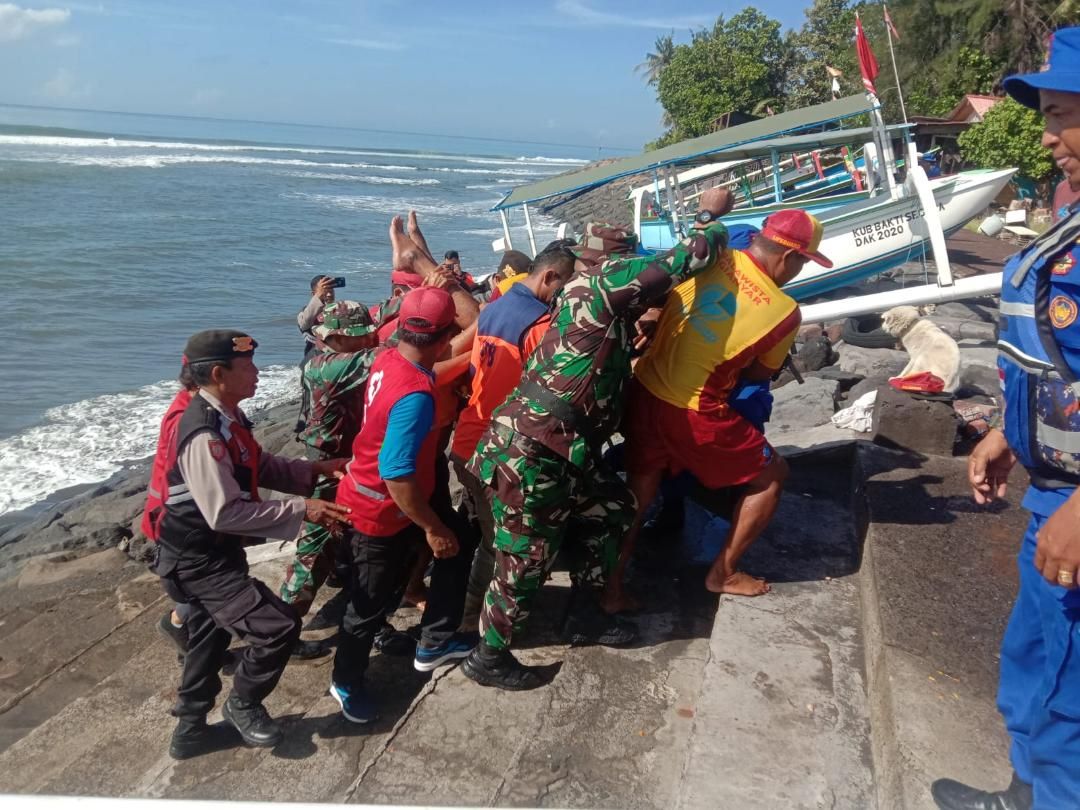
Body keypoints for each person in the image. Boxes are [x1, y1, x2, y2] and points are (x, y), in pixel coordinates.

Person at [460, 187, 736, 691]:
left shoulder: (584, 297)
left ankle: (590, 611)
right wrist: (709, 216)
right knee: (524, 559)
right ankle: (489, 656)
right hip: (532, 453)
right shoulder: (604, 283)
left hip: (554, 449)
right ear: (615, 265)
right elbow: (693, 255)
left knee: (611, 509)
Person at [931, 27, 1080, 810]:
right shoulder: (1074, 219)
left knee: (1068, 693)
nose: (1049, 137)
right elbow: (1060, 360)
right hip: (1050, 487)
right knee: (1034, 657)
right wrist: (1006, 433)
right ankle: (1024, 794)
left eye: (1063, 115)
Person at [610, 210, 829, 611]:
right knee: (772, 474)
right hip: (692, 409)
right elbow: (760, 372)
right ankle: (724, 572)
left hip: (644, 389)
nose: (798, 271)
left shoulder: (712, 255)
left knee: (640, 494)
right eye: (803, 262)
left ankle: (611, 589)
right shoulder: (785, 311)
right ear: (788, 258)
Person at [151, 329, 351, 759]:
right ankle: (243, 703)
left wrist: (313, 470)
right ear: (219, 374)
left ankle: (189, 731)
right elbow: (223, 513)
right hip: (197, 559)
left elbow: (254, 465)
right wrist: (302, 511)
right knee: (276, 627)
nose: (258, 373)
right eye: (249, 368)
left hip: (211, 552)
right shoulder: (202, 433)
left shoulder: (224, 415)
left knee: (208, 638)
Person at [330, 287, 476, 723]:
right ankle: (345, 681)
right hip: (381, 508)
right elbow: (396, 472)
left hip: (396, 494)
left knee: (461, 541)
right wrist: (431, 527)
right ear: (446, 332)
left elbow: (434, 371)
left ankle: (434, 640)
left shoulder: (389, 357)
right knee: (367, 605)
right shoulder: (415, 395)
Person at [450, 242, 576, 631]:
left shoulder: (494, 308)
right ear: (550, 276)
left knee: (479, 530)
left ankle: (460, 606)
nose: (564, 296)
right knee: (498, 543)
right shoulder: (539, 325)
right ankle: (472, 621)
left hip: (467, 437)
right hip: (497, 450)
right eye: (564, 286)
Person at [281, 301, 379, 618]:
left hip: (338, 457)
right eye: (358, 335)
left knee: (340, 531)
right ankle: (283, 624)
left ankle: (340, 571)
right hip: (327, 462)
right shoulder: (325, 365)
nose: (367, 339)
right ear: (334, 337)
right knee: (316, 542)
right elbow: (389, 356)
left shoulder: (333, 358)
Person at [298, 275, 337, 357]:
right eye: (325, 291)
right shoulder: (304, 313)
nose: (329, 295)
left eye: (331, 291)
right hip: (316, 359)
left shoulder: (339, 310)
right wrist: (318, 296)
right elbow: (304, 324)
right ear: (314, 294)